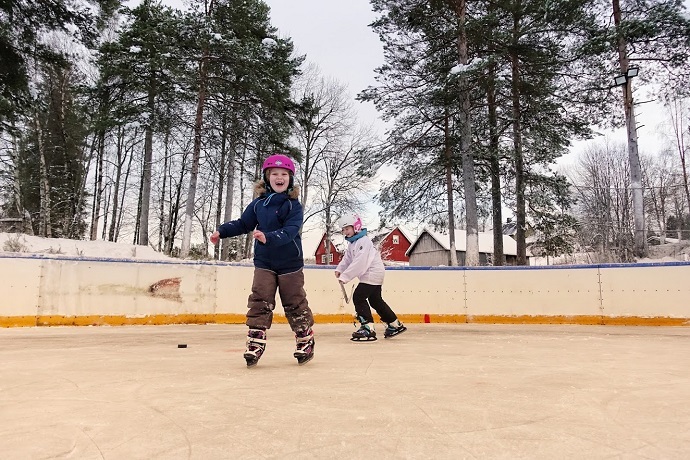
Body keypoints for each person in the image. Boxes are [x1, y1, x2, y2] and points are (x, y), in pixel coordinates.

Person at [210, 154, 315, 367]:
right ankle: (255, 343)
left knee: (295, 302)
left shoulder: (293, 206)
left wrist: (269, 237)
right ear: (267, 178)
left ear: (290, 179)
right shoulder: (258, 204)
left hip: (290, 264)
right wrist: (221, 231)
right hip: (264, 262)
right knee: (260, 300)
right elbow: (243, 224)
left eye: (284, 174)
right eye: (274, 174)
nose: (279, 177)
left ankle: (305, 340)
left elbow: (290, 231)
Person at [334, 213, 407, 341]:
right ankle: (394, 324)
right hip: (373, 274)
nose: (345, 232)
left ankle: (368, 327)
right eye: (344, 230)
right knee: (375, 300)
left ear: (356, 227)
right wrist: (340, 269)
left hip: (372, 273)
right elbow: (348, 259)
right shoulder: (353, 243)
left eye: (347, 228)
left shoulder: (363, 241)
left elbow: (360, 262)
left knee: (358, 296)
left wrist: (346, 276)